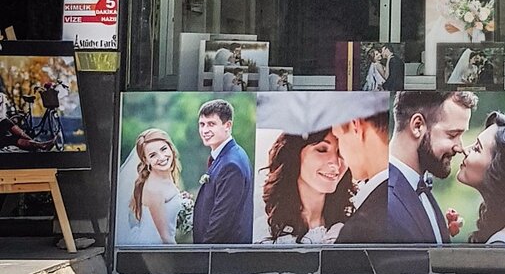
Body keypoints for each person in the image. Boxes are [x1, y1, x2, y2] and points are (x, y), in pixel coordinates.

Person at [384, 91, 474, 243]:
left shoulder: (420, 185)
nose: (460, 148)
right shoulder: (382, 201)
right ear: (417, 126)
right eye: (452, 135)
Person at [261, 127, 354, 244]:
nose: (336, 163)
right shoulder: (263, 231)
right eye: (322, 150)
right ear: (295, 154)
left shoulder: (353, 228)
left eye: (341, 152)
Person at [457, 110, 505, 245]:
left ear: (498, 169)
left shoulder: (503, 242)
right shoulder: (504, 224)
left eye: (477, 148)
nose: (465, 150)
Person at [192, 99, 254, 244]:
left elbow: (221, 221)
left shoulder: (231, 165)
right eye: (202, 124)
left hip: (221, 253)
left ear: (227, 125)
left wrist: (202, 252)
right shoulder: (227, 155)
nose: (205, 130)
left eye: (211, 124)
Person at [333, 104, 391, 243]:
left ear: (355, 125)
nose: (340, 155)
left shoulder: (361, 229)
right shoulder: (413, 195)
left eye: (338, 137)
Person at [127, 129, 184, 246]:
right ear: (145, 160)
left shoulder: (164, 176)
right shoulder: (154, 190)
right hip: (154, 248)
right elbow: (166, 238)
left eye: (163, 149)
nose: (161, 157)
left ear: (171, 148)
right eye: (153, 155)